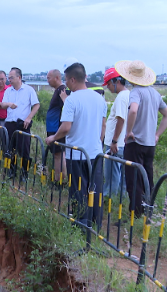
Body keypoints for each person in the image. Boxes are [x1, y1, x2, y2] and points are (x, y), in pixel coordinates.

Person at [45, 62, 106, 226]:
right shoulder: (99, 99)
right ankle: (96, 223)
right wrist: (97, 142)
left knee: (79, 190)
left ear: (72, 80)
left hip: (77, 153)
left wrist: (53, 138)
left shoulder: (71, 100)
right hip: (95, 153)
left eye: (66, 79)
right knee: (95, 188)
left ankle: (81, 224)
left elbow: (65, 127)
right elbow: (103, 126)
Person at [116, 60, 167, 220]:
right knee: (147, 179)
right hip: (149, 144)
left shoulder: (136, 92)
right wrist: (157, 134)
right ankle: (148, 211)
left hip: (136, 143)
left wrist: (129, 131)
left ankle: (136, 215)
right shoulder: (155, 93)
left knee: (134, 181)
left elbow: (133, 110)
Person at [1, 67, 40, 177]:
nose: (9, 80)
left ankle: (24, 173)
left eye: (11, 77)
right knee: (9, 148)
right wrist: (9, 104)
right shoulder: (8, 90)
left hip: (23, 124)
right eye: (9, 78)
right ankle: (11, 171)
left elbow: (36, 105)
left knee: (24, 151)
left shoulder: (29, 90)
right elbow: (3, 104)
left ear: (19, 77)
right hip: (9, 123)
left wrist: (29, 117)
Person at [102, 67, 130, 199]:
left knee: (112, 175)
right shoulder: (127, 95)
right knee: (122, 177)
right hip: (122, 143)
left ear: (117, 81)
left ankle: (110, 200)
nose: (107, 87)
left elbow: (121, 119)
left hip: (116, 144)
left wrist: (114, 141)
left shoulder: (121, 97)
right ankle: (120, 200)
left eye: (108, 83)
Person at [45, 69, 70, 183]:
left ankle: (60, 180)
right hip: (52, 127)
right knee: (56, 154)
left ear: (57, 78)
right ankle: (58, 179)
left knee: (59, 154)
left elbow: (68, 107)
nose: (47, 81)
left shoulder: (62, 90)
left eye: (49, 78)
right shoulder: (58, 90)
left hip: (56, 128)